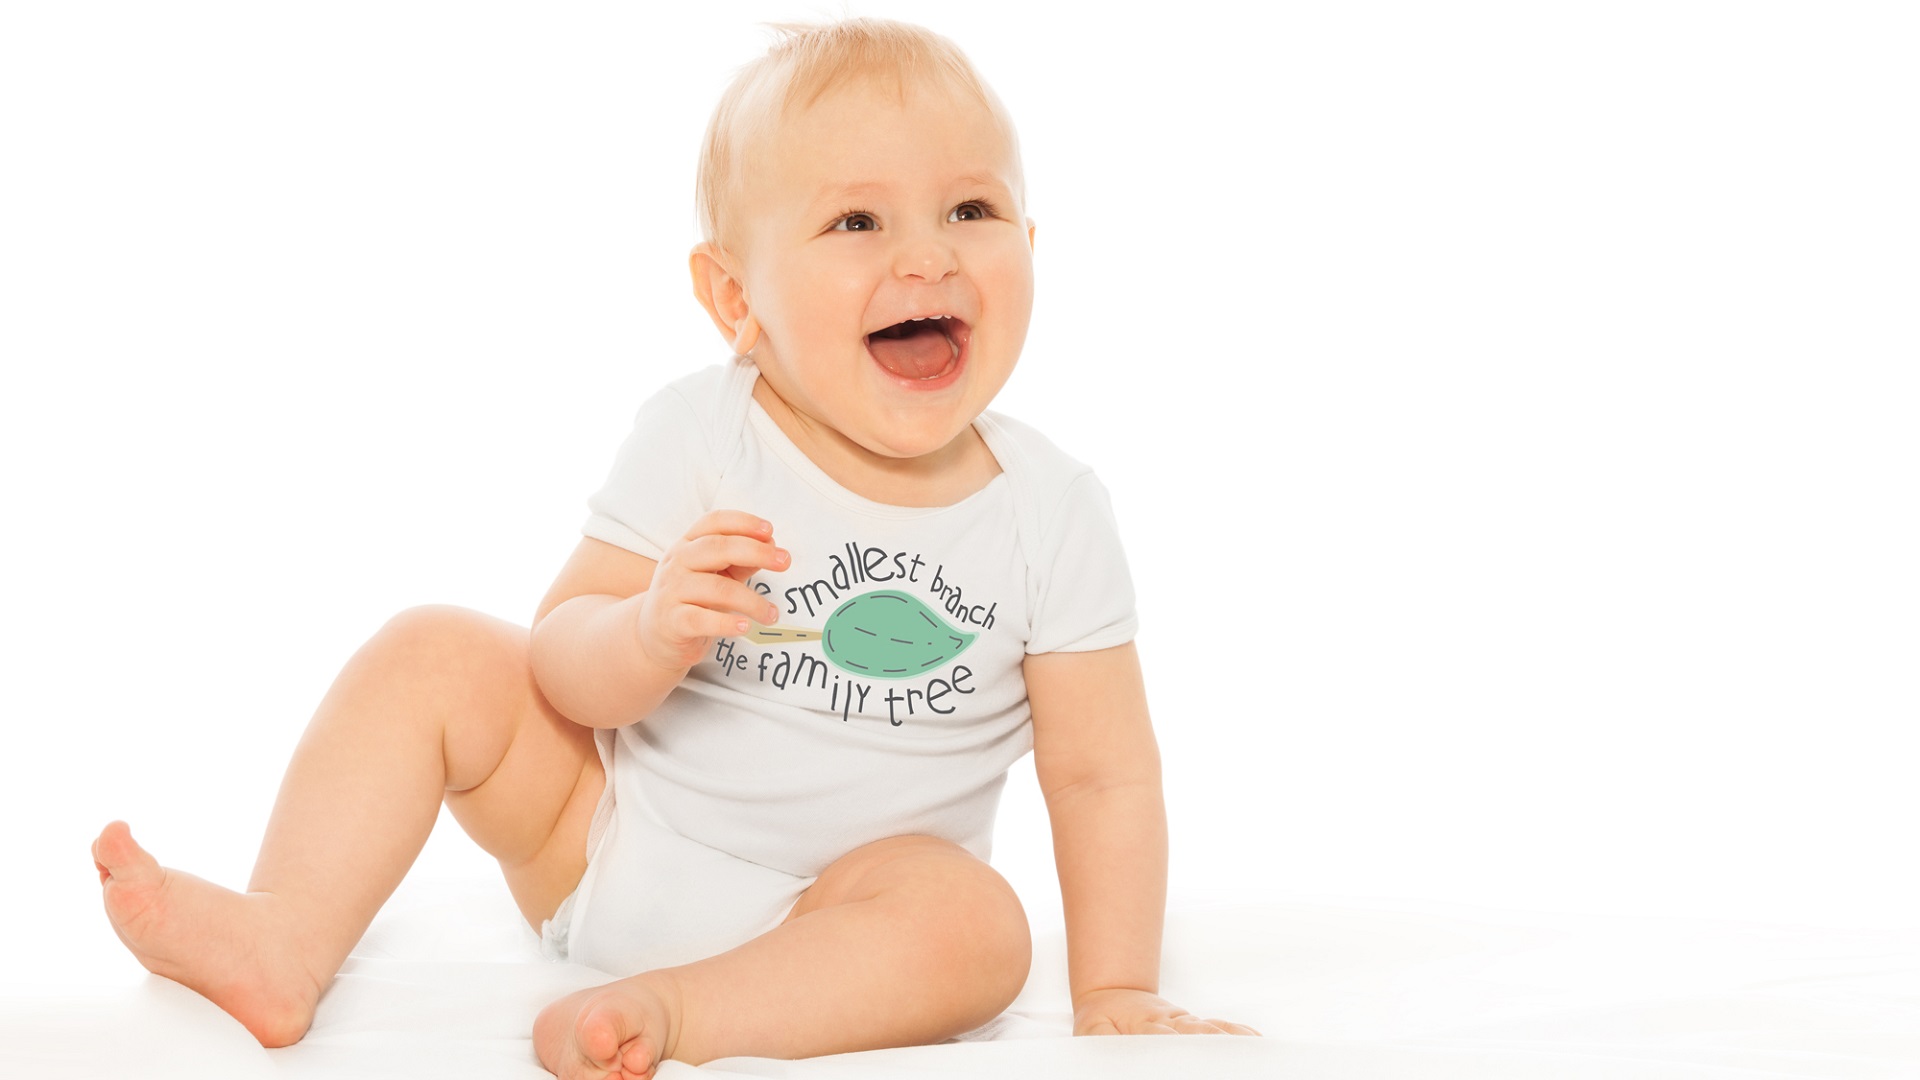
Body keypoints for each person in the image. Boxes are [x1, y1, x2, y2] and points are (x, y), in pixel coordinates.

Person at [92, 17, 1261, 1079]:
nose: (927, 257)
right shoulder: (706, 433)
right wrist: (647, 629)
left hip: (842, 915)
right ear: (733, 297)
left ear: (1031, 241)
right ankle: (287, 934)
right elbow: (561, 661)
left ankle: (679, 1015)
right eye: (858, 220)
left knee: (978, 925)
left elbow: (1105, 775)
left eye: (972, 210)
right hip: (602, 845)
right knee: (433, 653)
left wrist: (1115, 988)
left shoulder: (1050, 512)